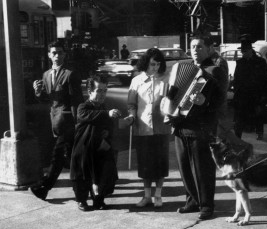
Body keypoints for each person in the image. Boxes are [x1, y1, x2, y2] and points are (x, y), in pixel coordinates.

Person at [170, 34, 228, 220]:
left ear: (209, 48)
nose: (195, 50)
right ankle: (192, 201)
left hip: (201, 127)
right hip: (181, 124)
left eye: (200, 47)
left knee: (202, 168)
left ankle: (206, 206)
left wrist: (205, 102)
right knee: (185, 166)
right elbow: (174, 92)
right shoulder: (184, 67)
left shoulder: (215, 70)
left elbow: (221, 103)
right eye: (193, 46)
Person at [31, 40, 84, 200]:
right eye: (54, 53)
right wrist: (38, 92)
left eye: (60, 52)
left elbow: (77, 101)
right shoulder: (46, 75)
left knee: (57, 155)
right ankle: (91, 182)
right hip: (54, 121)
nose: (57, 56)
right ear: (49, 55)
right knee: (68, 157)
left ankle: (44, 187)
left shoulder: (70, 74)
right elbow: (46, 100)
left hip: (68, 122)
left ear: (64, 54)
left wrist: (78, 124)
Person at [124, 48, 171, 208]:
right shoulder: (136, 81)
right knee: (145, 164)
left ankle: (158, 195)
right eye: (152, 64)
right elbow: (131, 104)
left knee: (160, 164)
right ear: (145, 63)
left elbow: (171, 102)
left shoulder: (166, 80)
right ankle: (146, 196)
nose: (155, 68)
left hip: (161, 128)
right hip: (142, 127)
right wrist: (131, 115)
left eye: (158, 64)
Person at [70, 75, 120, 211]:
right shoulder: (83, 106)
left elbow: (110, 125)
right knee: (82, 172)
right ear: (90, 91)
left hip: (100, 146)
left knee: (105, 171)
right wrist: (107, 114)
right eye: (99, 90)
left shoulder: (104, 107)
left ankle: (99, 199)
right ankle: (81, 200)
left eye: (104, 91)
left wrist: (107, 132)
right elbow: (87, 115)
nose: (102, 94)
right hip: (85, 147)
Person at [233, 34, 267, 140]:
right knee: (239, 119)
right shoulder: (240, 63)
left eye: (245, 51)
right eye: (242, 51)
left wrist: (266, 95)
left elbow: (266, 79)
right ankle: (238, 137)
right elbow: (236, 79)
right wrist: (235, 92)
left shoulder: (260, 62)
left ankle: (259, 133)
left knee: (258, 116)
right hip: (243, 96)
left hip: (256, 95)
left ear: (250, 50)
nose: (243, 53)